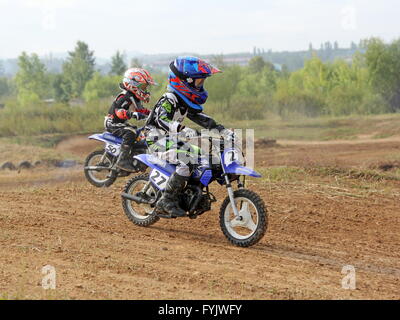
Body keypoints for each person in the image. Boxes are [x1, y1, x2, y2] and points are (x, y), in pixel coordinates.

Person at [145, 56, 235, 217]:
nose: (201, 86)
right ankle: (166, 200)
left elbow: (202, 118)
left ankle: (189, 194)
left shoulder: (184, 101)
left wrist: (222, 130)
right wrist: (182, 129)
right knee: (185, 162)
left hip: (171, 140)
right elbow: (161, 119)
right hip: (156, 139)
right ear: (184, 81)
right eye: (198, 82)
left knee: (201, 158)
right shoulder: (169, 99)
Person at [105, 68, 156, 172]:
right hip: (112, 123)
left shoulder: (133, 97)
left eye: (146, 87)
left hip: (121, 124)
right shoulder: (124, 97)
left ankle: (134, 156)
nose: (145, 90)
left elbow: (142, 110)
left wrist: (154, 114)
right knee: (130, 132)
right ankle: (122, 160)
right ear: (133, 84)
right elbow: (118, 111)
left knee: (139, 132)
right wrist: (132, 114)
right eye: (143, 86)